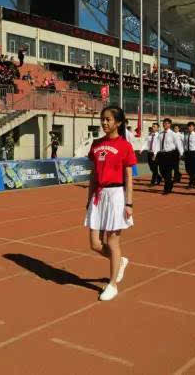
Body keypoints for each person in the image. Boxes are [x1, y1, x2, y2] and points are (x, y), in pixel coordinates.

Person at [85, 105, 136, 301]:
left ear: (119, 122)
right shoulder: (96, 144)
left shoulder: (125, 146)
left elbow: (129, 176)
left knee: (112, 242)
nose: (104, 123)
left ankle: (112, 284)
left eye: (108, 119)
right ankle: (120, 261)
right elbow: (93, 174)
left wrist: (129, 203)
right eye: (102, 119)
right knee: (95, 244)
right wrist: (89, 198)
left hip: (116, 195)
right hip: (98, 195)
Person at [155, 118, 183, 195]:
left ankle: (167, 188)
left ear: (170, 124)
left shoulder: (173, 134)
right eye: (164, 123)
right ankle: (170, 183)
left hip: (170, 154)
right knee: (162, 171)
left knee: (168, 172)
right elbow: (157, 145)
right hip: (162, 154)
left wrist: (181, 153)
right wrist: (155, 154)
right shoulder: (160, 134)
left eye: (167, 123)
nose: (165, 124)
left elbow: (178, 144)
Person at [184, 121, 195, 189]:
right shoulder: (186, 135)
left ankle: (192, 183)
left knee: (193, 169)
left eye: (191, 126)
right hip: (187, 153)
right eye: (188, 126)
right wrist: (183, 152)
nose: (189, 128)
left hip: (194, 153)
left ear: (194, 127)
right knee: (187, 169)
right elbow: (184, 145)